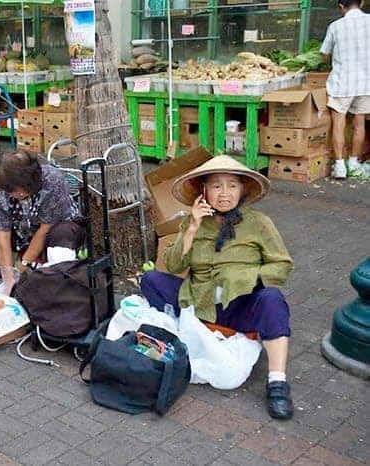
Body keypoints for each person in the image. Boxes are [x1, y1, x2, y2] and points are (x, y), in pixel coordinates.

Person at [140, 156, 295, 420]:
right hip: (201, 302)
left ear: (243, 189)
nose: (224, 194)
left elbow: (282, 265)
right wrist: (192, 228)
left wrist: (250, 277)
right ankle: (201, 330)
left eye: (232, 186)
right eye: (216, 186)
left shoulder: (259, 223)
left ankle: (277, 383)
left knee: (273, 299)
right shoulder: (192, 221)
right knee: (151, 280)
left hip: (240, 304)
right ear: (204, 191)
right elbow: (174, 264)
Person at [0, 151, 85, 293]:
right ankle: (16, 280)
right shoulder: (3, 190)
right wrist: (9, 278)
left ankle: (56, 284)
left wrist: (22, 266)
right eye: (9, 191)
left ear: (28, 182)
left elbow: (45, 230)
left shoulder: (52, 180)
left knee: (62, 233)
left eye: (16, 191)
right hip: (24, 233)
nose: (12, 195)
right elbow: (2, 235)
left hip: (53, 232)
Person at [320, 0, 370, 179]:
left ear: (341, 6)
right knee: (359, 124)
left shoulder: (336, 26)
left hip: (342, 83)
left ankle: (339, 166)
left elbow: (324, 53)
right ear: (361, 3)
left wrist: (332, 57)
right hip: (365, 83)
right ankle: (354, 164)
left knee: (338, 124)